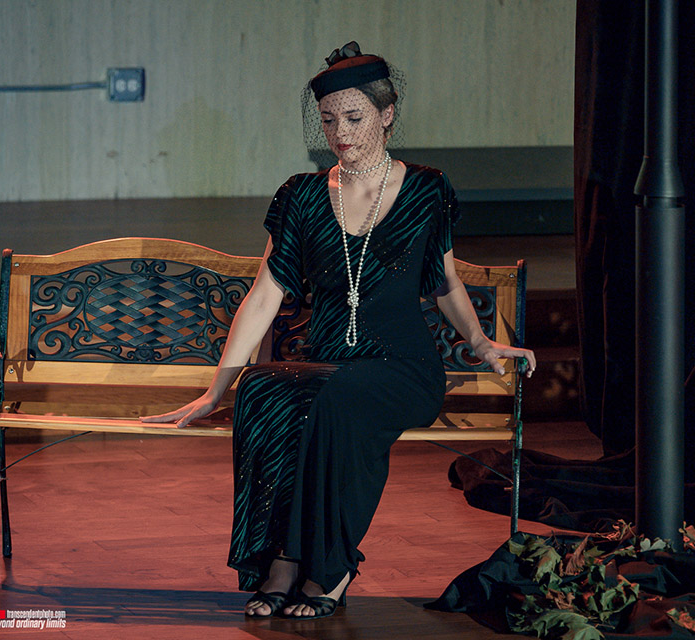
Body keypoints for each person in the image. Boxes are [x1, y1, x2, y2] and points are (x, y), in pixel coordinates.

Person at [142, 42, 536, 620]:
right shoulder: (301, 196)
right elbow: (263, 297)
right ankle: (281, 557)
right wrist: (215, 390)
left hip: (401, 368)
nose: (340, 133)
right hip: (327, 362)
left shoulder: (426, 189)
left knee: (338, 401)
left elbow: (444, 281)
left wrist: (481, 342)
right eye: (328, 120)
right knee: (266, 391)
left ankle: (325, 565)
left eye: (353, 118)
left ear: (386, 113)